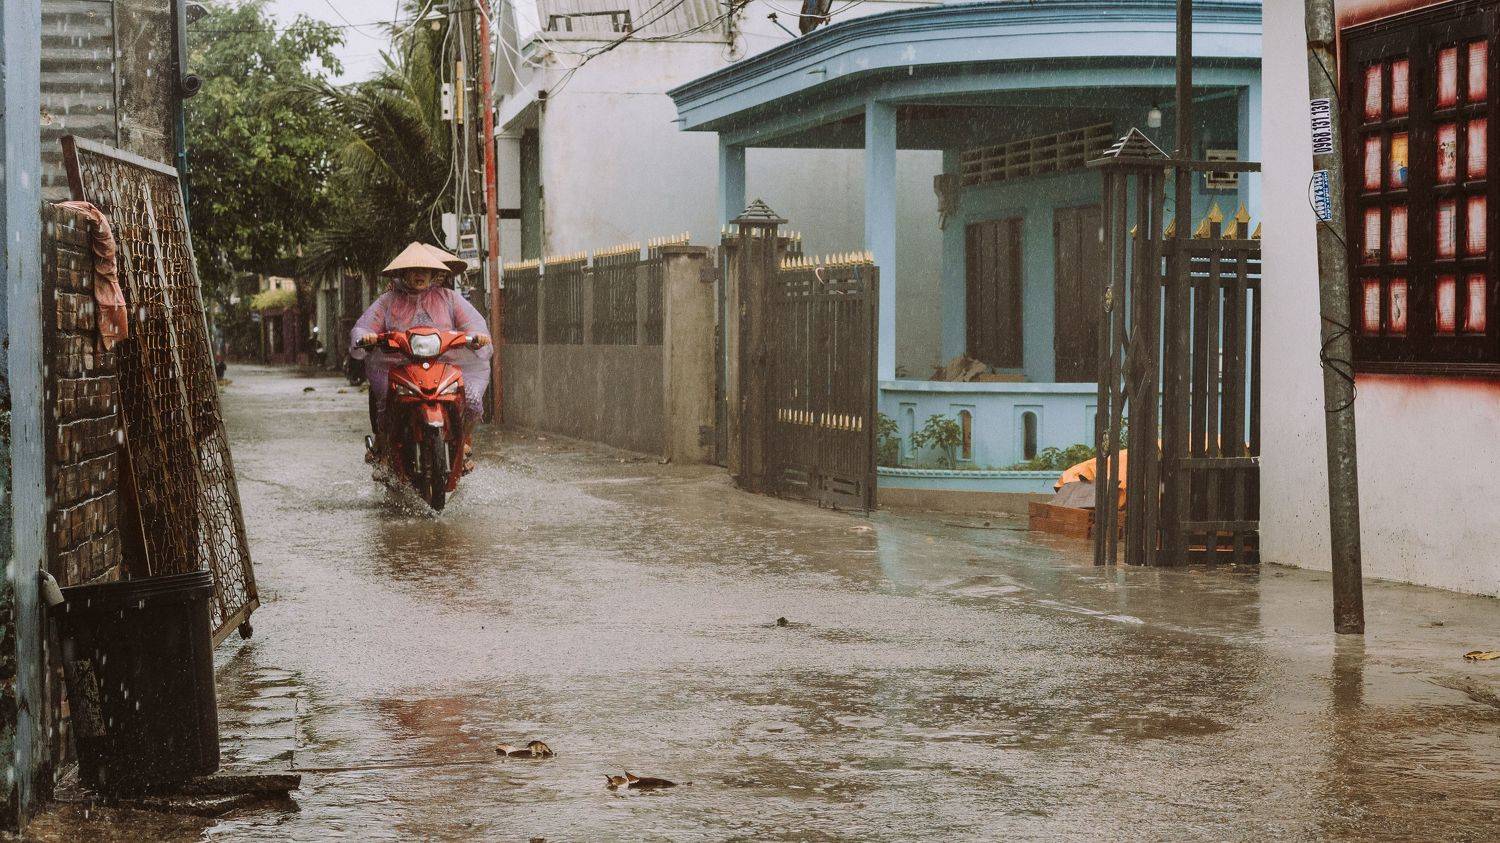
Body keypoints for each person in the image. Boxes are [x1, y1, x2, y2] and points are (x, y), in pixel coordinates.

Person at [350, 242, 492, 471]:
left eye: (425, 270)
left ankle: (464, 442)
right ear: (403, 273)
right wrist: (366, 337)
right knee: (387, 399)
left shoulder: (449, 298)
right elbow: (365, 326)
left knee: (472, 399)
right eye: (414, 270)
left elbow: (473, 324)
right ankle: (384, 448)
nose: (420, 275)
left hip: (444, 365)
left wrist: (477, 336)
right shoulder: (388, 300)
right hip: (396, 366)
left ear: (434, 274)